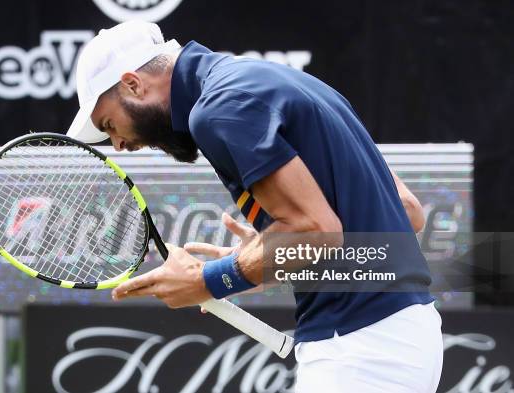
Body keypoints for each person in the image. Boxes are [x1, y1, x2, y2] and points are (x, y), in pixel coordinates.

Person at [66, 21, 443, 392]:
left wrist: (209, 280)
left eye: (110, 124)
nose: (117, 144)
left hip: (359, 352)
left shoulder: (219, 107)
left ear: (133, 84)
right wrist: (265, 252)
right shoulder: (274, 80)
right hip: (413, 336)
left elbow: (316, 231)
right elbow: (407, 212)